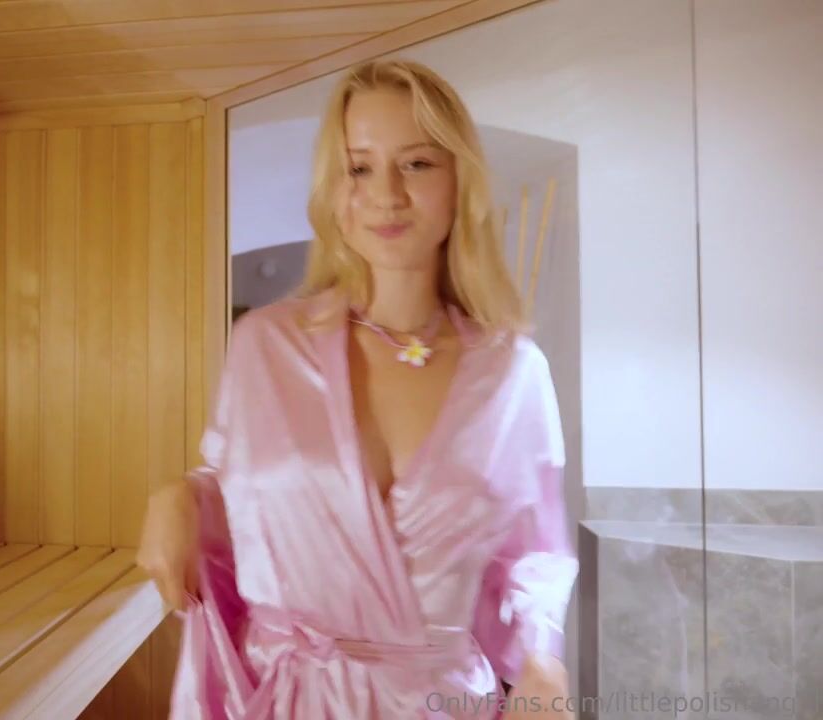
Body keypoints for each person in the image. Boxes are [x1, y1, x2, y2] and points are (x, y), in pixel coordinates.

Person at [137, 58, 578, 720]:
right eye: (359, 167)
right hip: (291, 699)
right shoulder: (267, 345)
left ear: (459, 179)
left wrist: (542, 656)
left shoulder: (511, 372)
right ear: (333, 189)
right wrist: (179, 497)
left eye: (416, 163)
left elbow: (533, 553)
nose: (386, 194)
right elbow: (238, 490)